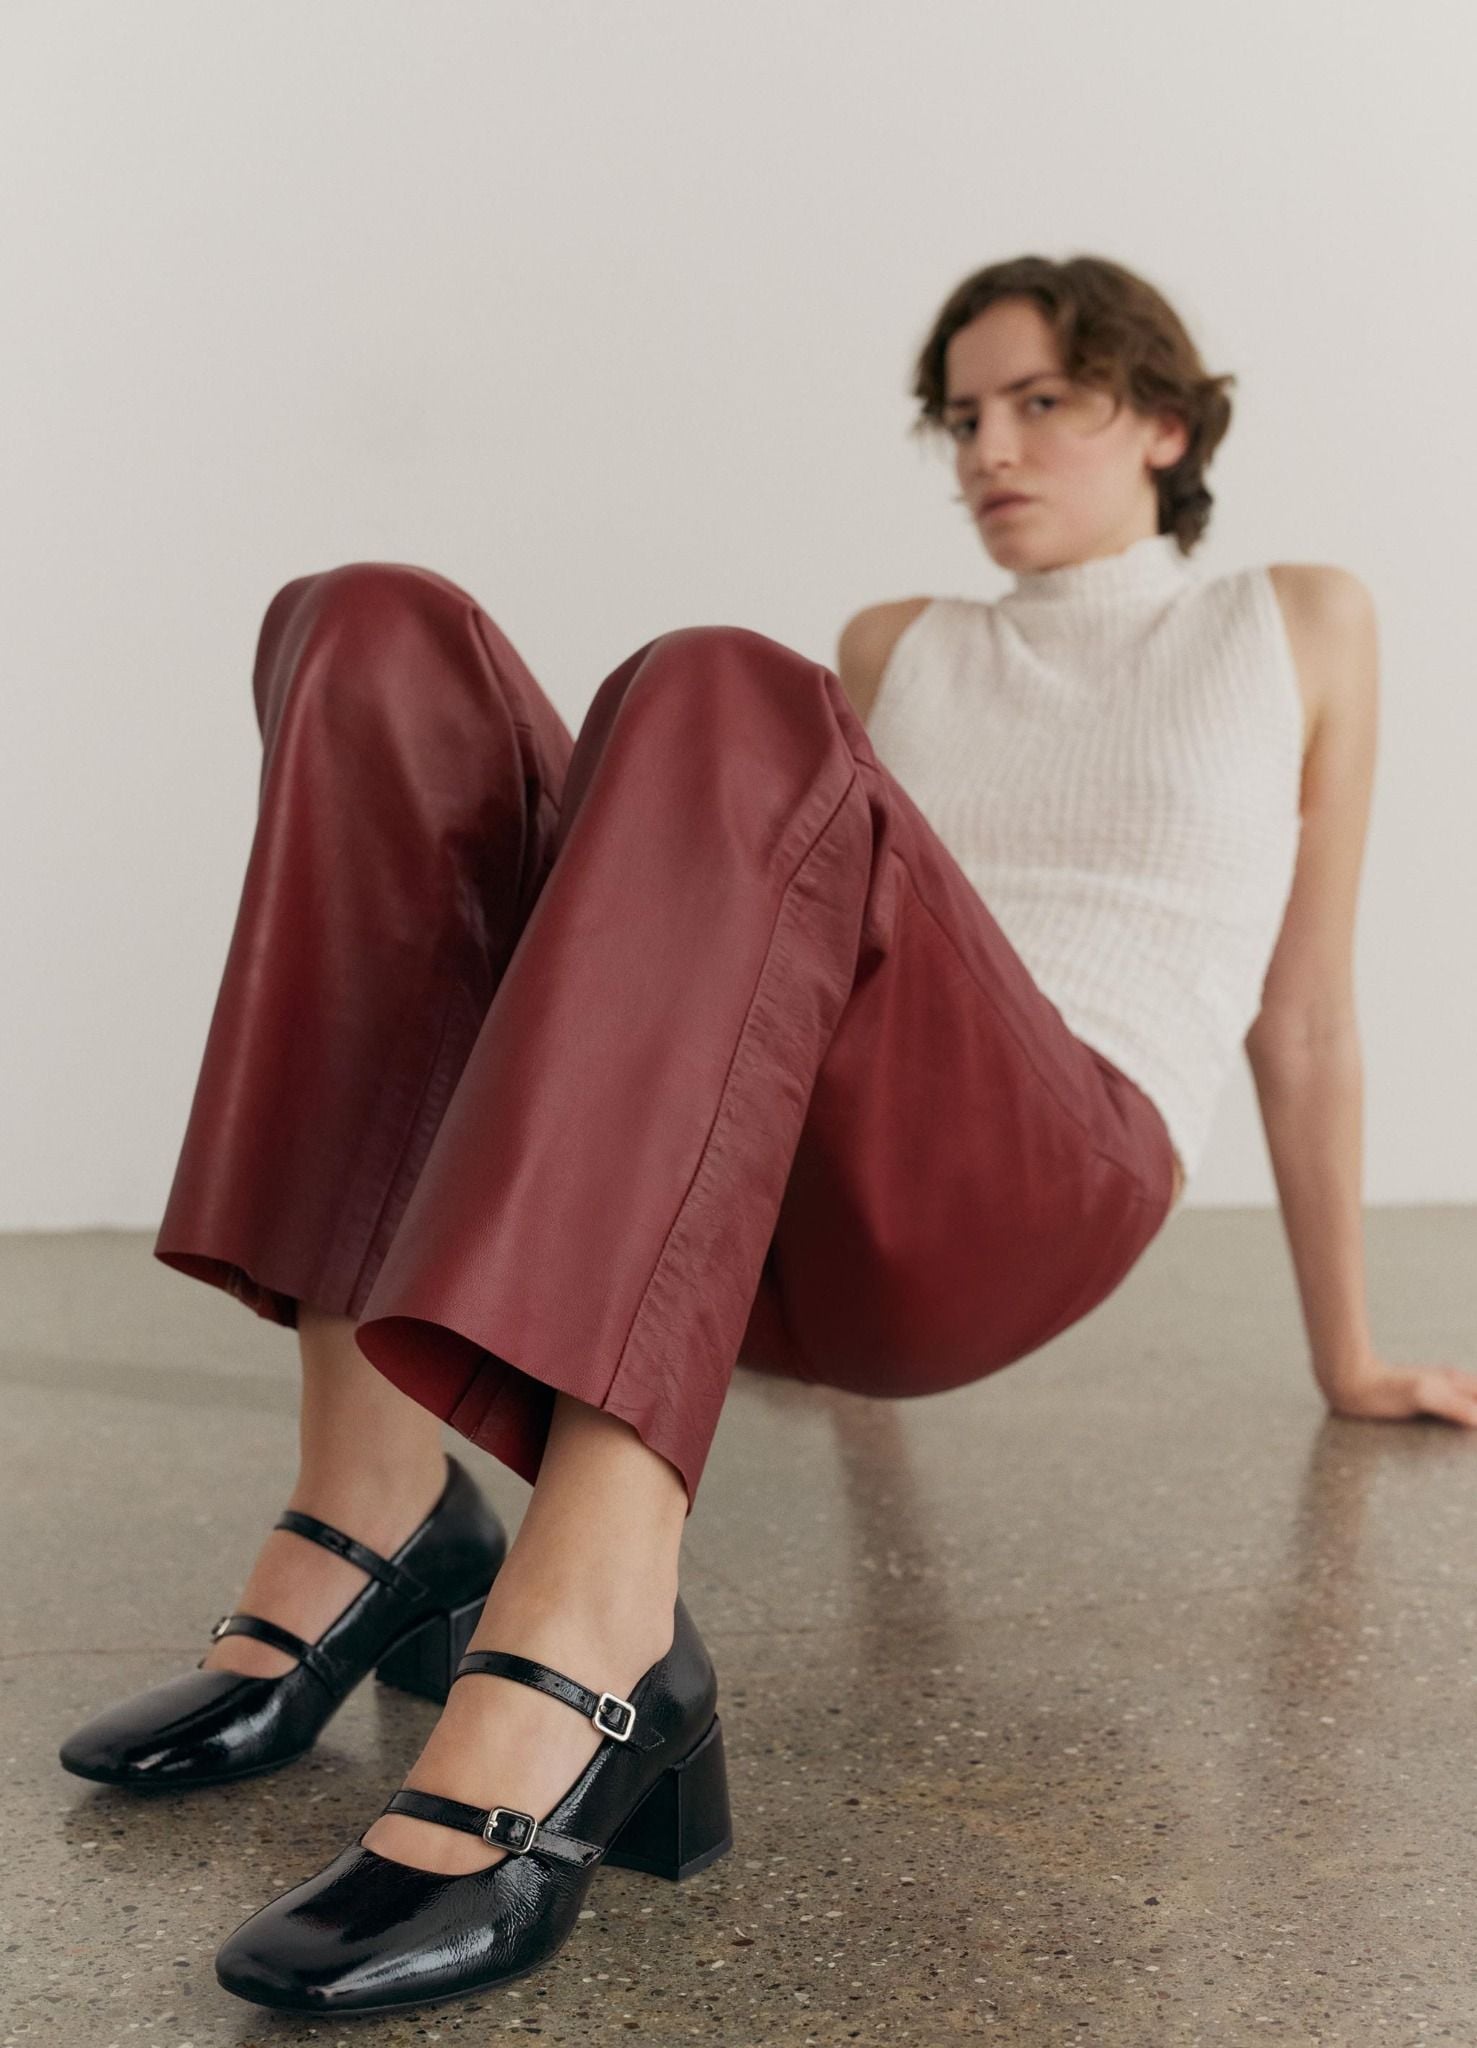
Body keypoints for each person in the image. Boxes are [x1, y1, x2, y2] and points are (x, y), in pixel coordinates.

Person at [58, 252, 1477, 2019]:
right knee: (372, 632)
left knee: (721, 684)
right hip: (796, 1189)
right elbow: (790, 940)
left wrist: (1349, 1357)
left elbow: (1304, 1007)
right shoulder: (902, 641)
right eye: (961, 415)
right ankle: (377, 1499)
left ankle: (600, 1621)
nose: (988, 448)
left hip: (1053, 1174)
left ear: (1166, 425)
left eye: (1043, 402)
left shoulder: (1297, 618)